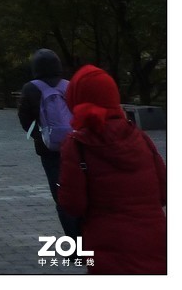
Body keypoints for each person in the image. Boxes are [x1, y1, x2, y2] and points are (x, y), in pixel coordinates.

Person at [57, 65, 166, 274]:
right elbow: (164, 192)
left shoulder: (77, 144)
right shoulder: (140, 137)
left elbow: (73, 205)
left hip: (106, 244)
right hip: (154, 239)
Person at [17, 48, 80, 236]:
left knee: (60, 194)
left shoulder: (30, 88)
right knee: (79, 189)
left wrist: (41, 135)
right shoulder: (69, 85)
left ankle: (73, 243)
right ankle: (87, 238)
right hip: (75, 145)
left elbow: (24, 119)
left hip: (48, 150)